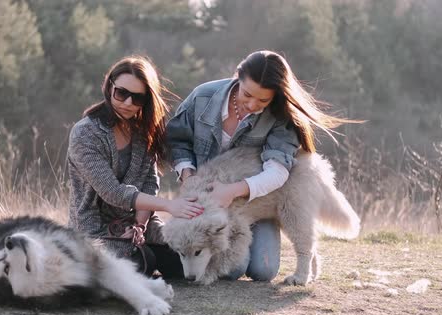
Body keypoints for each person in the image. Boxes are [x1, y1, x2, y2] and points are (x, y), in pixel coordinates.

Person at [166, 50, 359, 281]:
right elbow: (176, 139)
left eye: (263, 100)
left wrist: (233, 190)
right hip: (210, 201)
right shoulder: (203, 97)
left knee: (263, 271)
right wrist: (188, 175)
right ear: (237, 76)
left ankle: (305, 264)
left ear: (275, 96)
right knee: (234, 270)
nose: (252, 104)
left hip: (261, 196)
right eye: (247, 94)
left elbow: (278, 172)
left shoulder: (280, 116)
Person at [67, 55, 204, 277]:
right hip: (96, 228)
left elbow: (150, 182)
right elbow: (113, 192)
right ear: (109, 86)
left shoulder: (143, 131)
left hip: (140, 221)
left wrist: (140, 224)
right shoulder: (85, 133)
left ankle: (144, 251)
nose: (128, 103)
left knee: (183, 258)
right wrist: (169, 206)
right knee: (141, 262)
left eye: (138, 98)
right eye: (122, 93)